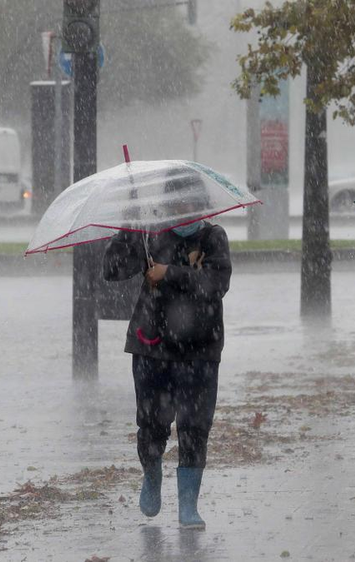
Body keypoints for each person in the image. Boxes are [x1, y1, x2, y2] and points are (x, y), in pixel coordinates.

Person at [102, 169, 231, 530]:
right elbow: (112, 270)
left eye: (191, 200)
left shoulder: (213, 237)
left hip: (200, 349)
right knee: (152, 424)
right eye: (177, 201)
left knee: (194, 426)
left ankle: (188, 503)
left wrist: (168, 273)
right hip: (151, 347)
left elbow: (217, 283)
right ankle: (152, 473)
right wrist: (128, 229)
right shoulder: (149, 232)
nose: (184, 207)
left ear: (202, 202)